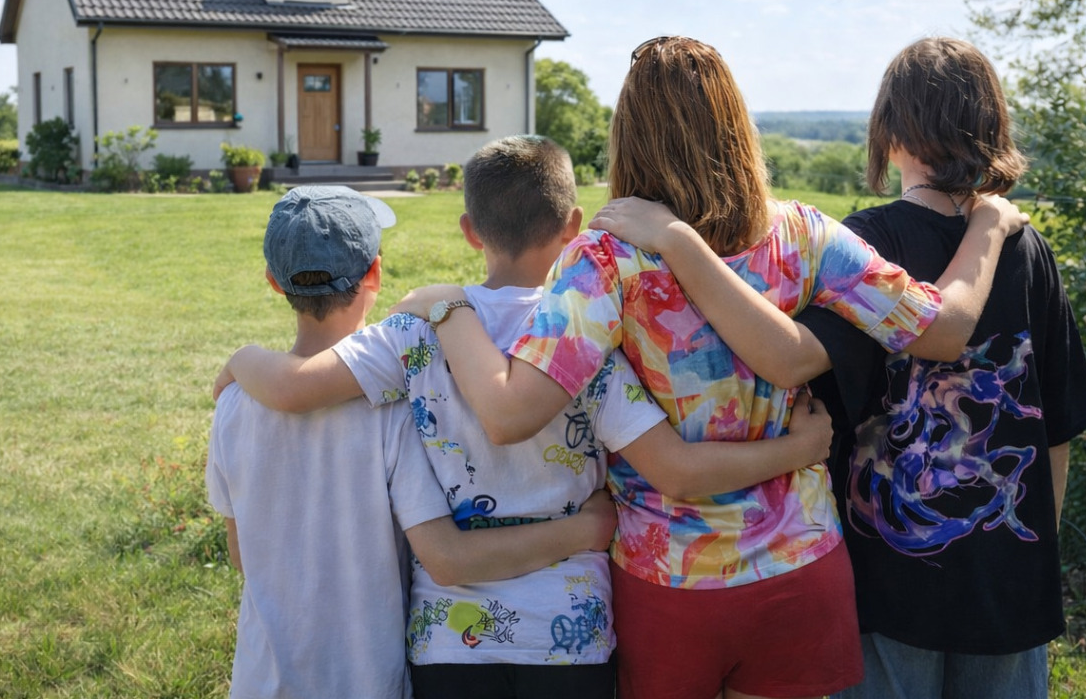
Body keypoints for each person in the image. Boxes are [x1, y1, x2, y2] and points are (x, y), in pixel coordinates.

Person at [396, 36, 1030, 699]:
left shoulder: (607, 260)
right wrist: (987, 225)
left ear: (629, 136)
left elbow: (508, 414)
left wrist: (448, 310)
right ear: (738, 126)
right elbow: (945, 330)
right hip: (799, 566)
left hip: (670, 579)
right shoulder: (806, 235)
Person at [220, 137, 835, 699]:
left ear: (469, 230)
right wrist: (798, 449)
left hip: (449, 638)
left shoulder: (416, 331)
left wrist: (239, 363)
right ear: (573, 227)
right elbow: (674, 467)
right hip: (569, 633)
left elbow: (298, 386)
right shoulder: (586, 336)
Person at [205, 185, 620, 699]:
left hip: (262, 678)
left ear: (273, 281)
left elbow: (241, 554)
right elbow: (446, 555)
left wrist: (243, 356)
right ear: (376, 272)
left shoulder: (231, 407)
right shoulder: (394, 404)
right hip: (368, 676)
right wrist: (587, 528)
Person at [789, 38, 1086, 699]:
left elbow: (810, 399)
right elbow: (1058, 429)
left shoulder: (864, 244)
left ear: (892, 132)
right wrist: (1031, 554)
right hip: (1006, 585)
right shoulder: (1024, 246)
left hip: (884, 580)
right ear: (991, 128)